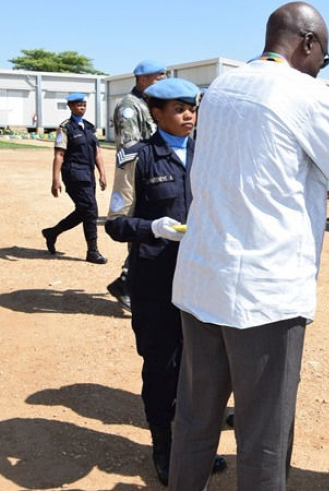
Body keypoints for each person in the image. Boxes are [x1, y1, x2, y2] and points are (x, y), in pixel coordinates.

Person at [167, 3, 329, 489]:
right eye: (326, 57)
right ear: (309, 43)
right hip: (264, 295)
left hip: (200, 280)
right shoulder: (306, 93)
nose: (322, 66)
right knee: (264, 438)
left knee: (194, 422)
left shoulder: (218, 90)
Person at [104, 78, 227, 486]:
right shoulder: (134, 158)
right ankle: (164, 448)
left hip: (204, 280)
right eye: (178, 109)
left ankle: (195, 446)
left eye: (192, 107)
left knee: (203, 370)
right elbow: (117, 224)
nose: (189, 115)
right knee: (161, 368)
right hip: (157, 282)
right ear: (155, 113)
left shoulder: (209, 154)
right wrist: (152, 227)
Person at [107, 60, 168, 312]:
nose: (161, 81)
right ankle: (126, 284)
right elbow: (130, 148)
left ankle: (127, 282)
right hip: (138, 175)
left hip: (152, 171)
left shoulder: (149, 104)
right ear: (141, 80)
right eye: (157, 77)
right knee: (140, 228)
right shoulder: (130, 107)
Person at [42, 93, 108, 264]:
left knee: (84, 210)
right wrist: (55, 180)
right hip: (73, 173)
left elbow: (97, 153)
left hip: (88, 173)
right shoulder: (65, 128)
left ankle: (52, 232)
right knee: (91, 209)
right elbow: (59, 155)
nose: (82, 108)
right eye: (78, 105)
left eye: (84, 105)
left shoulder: (90, 127)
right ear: (70, 107)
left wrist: (102, 173)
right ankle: (92, 251)